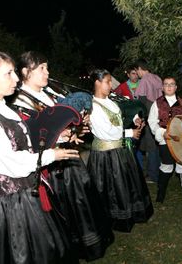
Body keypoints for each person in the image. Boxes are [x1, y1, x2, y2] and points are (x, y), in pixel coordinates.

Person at [0, 47, 80, 263]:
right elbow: (9, 164)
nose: (16, 78)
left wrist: (57, 138)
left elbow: (23, 144)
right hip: (6, 207)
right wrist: (51, 155)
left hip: (26, 194)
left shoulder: (3, 108)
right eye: (8, 73)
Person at [13, 51, 111, 261]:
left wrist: (77, 130)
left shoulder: (51, 94)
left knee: (83, 202)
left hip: (69, 157)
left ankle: (91, 246)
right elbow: (30, 138)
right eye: (42, 68)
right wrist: (59, 135)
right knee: (67, 208)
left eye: (47, 67)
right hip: (53, 167)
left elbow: (65, 122)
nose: (47, 72)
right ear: (25, 72)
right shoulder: (20, 103)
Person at [87, 68, 154, 233]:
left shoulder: (110, 100)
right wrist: (131, 132)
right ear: (97, 82)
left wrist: (135, 119)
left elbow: (122, 113)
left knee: (125, 185)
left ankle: (131, 214)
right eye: (107, 82)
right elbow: (108, 132)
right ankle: (115, 219)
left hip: (119, 151)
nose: (111, 85)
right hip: (105, 156)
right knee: (112, 188)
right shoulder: (93, 107)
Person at [148, 77, 182, 204]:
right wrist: (162, 133)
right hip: (165, 140)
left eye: (172, 84)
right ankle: (160, 194)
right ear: (162, 88)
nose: (169, 87)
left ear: (176, 87)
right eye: (166, 84)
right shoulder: (156, 103)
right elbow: (152, 122)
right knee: (167, 166)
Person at [134, 59, 162, 183]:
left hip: (149, 115)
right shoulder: (157, 78)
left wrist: (141, 117)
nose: (137, 73)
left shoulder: (144, 80)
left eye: (137, 70)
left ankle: (153, 175)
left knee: (151, 147)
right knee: (157, 143)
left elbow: (141, 102)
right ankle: (159, 170)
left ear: (140, 68)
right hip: (160, 114)